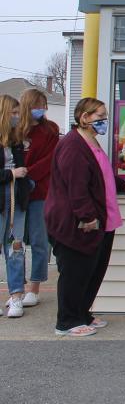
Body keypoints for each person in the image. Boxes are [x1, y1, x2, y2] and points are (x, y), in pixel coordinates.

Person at [46, 98, 125, 337]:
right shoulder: (73, 146)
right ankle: (66, 321)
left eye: (104, 115)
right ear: (84, 118)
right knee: (75, 272)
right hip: (78, 224)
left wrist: (123, 184)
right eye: (99, 116)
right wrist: (87, 217)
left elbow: (102, 173)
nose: (104, 120)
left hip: (103, 219)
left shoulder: (91, 143)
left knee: (92, 270)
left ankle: (82, 313)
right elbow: (76, 187)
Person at [16, 89, 59, 310]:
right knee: (15, 243)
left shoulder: (50, 130)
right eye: (38, 105)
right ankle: (17, 289)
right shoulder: (13, 130)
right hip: (15, 193)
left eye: (44, 105)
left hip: (40, 191)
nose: (42, 109)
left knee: (38, 240)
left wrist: (27, 174)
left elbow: (50, 159)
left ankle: (34, 287)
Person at [0, 95, 33, 318]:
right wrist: (11, 173)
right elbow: (14, 170)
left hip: (16, 196)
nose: (17, 117)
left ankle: (16, 296)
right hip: (3, 194)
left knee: (15, 247)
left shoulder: (17, 140)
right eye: (13, 113)